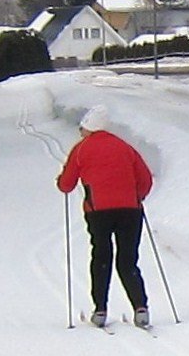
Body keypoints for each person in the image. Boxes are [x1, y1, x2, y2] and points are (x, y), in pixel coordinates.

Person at [56, 105, 154, 328]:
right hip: (130, 211)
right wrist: (136, 196)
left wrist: (60, 180)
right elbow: (145, 179)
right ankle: (141, 308)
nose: (81, 132)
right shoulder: (125, 147)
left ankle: (100, 310)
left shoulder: (81, 149)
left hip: (98, 211)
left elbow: (66, 185)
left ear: (89, 128)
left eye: (82, 128)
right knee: (128, 260)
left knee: (101, 257)